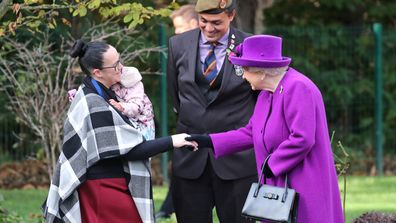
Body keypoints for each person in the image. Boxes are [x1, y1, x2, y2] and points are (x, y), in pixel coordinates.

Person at [186, 35, 345, 223]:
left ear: (261, 71)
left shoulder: (298, 87)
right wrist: (207, 141)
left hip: (305, 183)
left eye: (244, 70)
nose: (243, 76)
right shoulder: (266, 94)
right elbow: (251, 132)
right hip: (279, 186)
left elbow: (303, 138)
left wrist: (273, 163)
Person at [42, 40, 197, 223]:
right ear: (97, 72)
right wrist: (173, 141)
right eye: (115, 65)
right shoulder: (92, 103)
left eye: (120, 60)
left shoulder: (108, 93)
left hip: (112, 185)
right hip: (102, 190)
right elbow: (131, 150)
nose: (121, 67)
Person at [167, 0, 258, 222]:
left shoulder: (249, 44)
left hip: (237, 160)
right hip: (190, 158)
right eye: (203, 21)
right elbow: (176, 95)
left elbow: (259, 97)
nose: (209, 29)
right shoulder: (177, 44)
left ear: (231, 15)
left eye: (216, 22)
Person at [155, 4, 200, 220]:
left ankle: (167, 207)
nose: (175, 33)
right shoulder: (178, 49)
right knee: (182, 169)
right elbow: (175, 89)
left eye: (179, 27)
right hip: (188, 123)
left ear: (194, 24)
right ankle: (168, 206)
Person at [69, 66, 156, 140]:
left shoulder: (132, 83)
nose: (118, 69)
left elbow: (136, 106)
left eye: (117, 66)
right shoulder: (102, 83)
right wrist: (79, 99)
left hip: (142, 124)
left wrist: (121, 107)